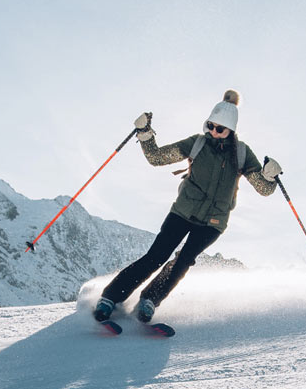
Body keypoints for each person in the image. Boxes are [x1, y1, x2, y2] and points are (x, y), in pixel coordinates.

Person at [95, 89, 283, 324]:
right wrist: (145, 134)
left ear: (231, 130)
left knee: (184, 261)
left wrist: (269, 176)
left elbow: (263, 189)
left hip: (213, 222)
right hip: (182, 212)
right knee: (156, 256)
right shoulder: (197, 143)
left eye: (220, 129)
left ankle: (150, 300)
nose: (213, 132)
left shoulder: (242, 154)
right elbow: (157, 158)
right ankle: (110, 297)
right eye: (211, 126)